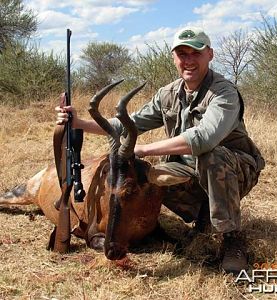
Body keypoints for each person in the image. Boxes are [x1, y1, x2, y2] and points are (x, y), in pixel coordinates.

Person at [56, 26, 265, 274]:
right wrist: (78, 123)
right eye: (182, 54)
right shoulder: (167, 94)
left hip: (234, 169)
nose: (188, 61)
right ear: (174, 57)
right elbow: (126, 124)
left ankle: (232, 240)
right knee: (141, 175)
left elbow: (204, 139)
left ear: (210, 54)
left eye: (195, 53)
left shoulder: (224, 92)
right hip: (188, 169)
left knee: (213, 156)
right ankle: (202, 216)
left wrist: (143, 149)